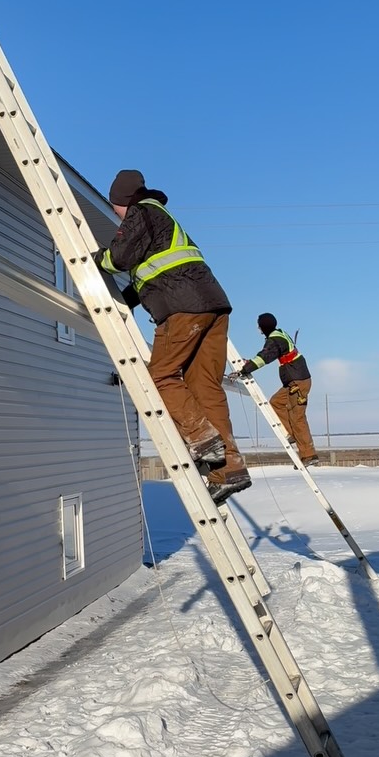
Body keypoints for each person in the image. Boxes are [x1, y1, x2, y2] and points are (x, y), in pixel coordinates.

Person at [96, 169, 251, 506]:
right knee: (205, 387)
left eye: (115, 207)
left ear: (121, 201)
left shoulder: (142, 211)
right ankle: (229, 470)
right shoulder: (164, 221)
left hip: (183, 309)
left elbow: (120, 257)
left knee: (161, 376)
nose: (116, 215)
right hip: (213, 306)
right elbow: (158, 270)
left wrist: (98, 260)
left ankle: (201, 438)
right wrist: (129, 297)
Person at [235, 314, 319, 466]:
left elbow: (265, 357)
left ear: (263, 327)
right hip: (293, 381)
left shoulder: (276, 340)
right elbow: (266, 354)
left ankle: (309, 455)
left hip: (298, 382)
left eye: (259, 325)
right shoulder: (278, 335)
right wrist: (250, 363)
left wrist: (245, 369)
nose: (257, 328)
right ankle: (292, 434)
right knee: (276, 403)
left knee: (297, 417)